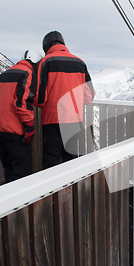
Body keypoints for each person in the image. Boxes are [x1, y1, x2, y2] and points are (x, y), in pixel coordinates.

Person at [36, 31, 95, 169]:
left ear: (46, 46)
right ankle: (72, 190)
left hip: (52, 120)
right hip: (74, 120)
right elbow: (89, 96)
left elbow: (39, 98)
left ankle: (53, 190)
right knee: (72, 161)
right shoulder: (80, 62)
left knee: (52, 162)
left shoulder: (45, 62)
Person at [0, 50, 43, 182]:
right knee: (21, 171)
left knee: (9, 168)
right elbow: (22, 102)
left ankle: (10, 199)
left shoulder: (4, 74)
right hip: (12, 128)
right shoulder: (27, 73)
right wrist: (29, 127)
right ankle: (23, 201)